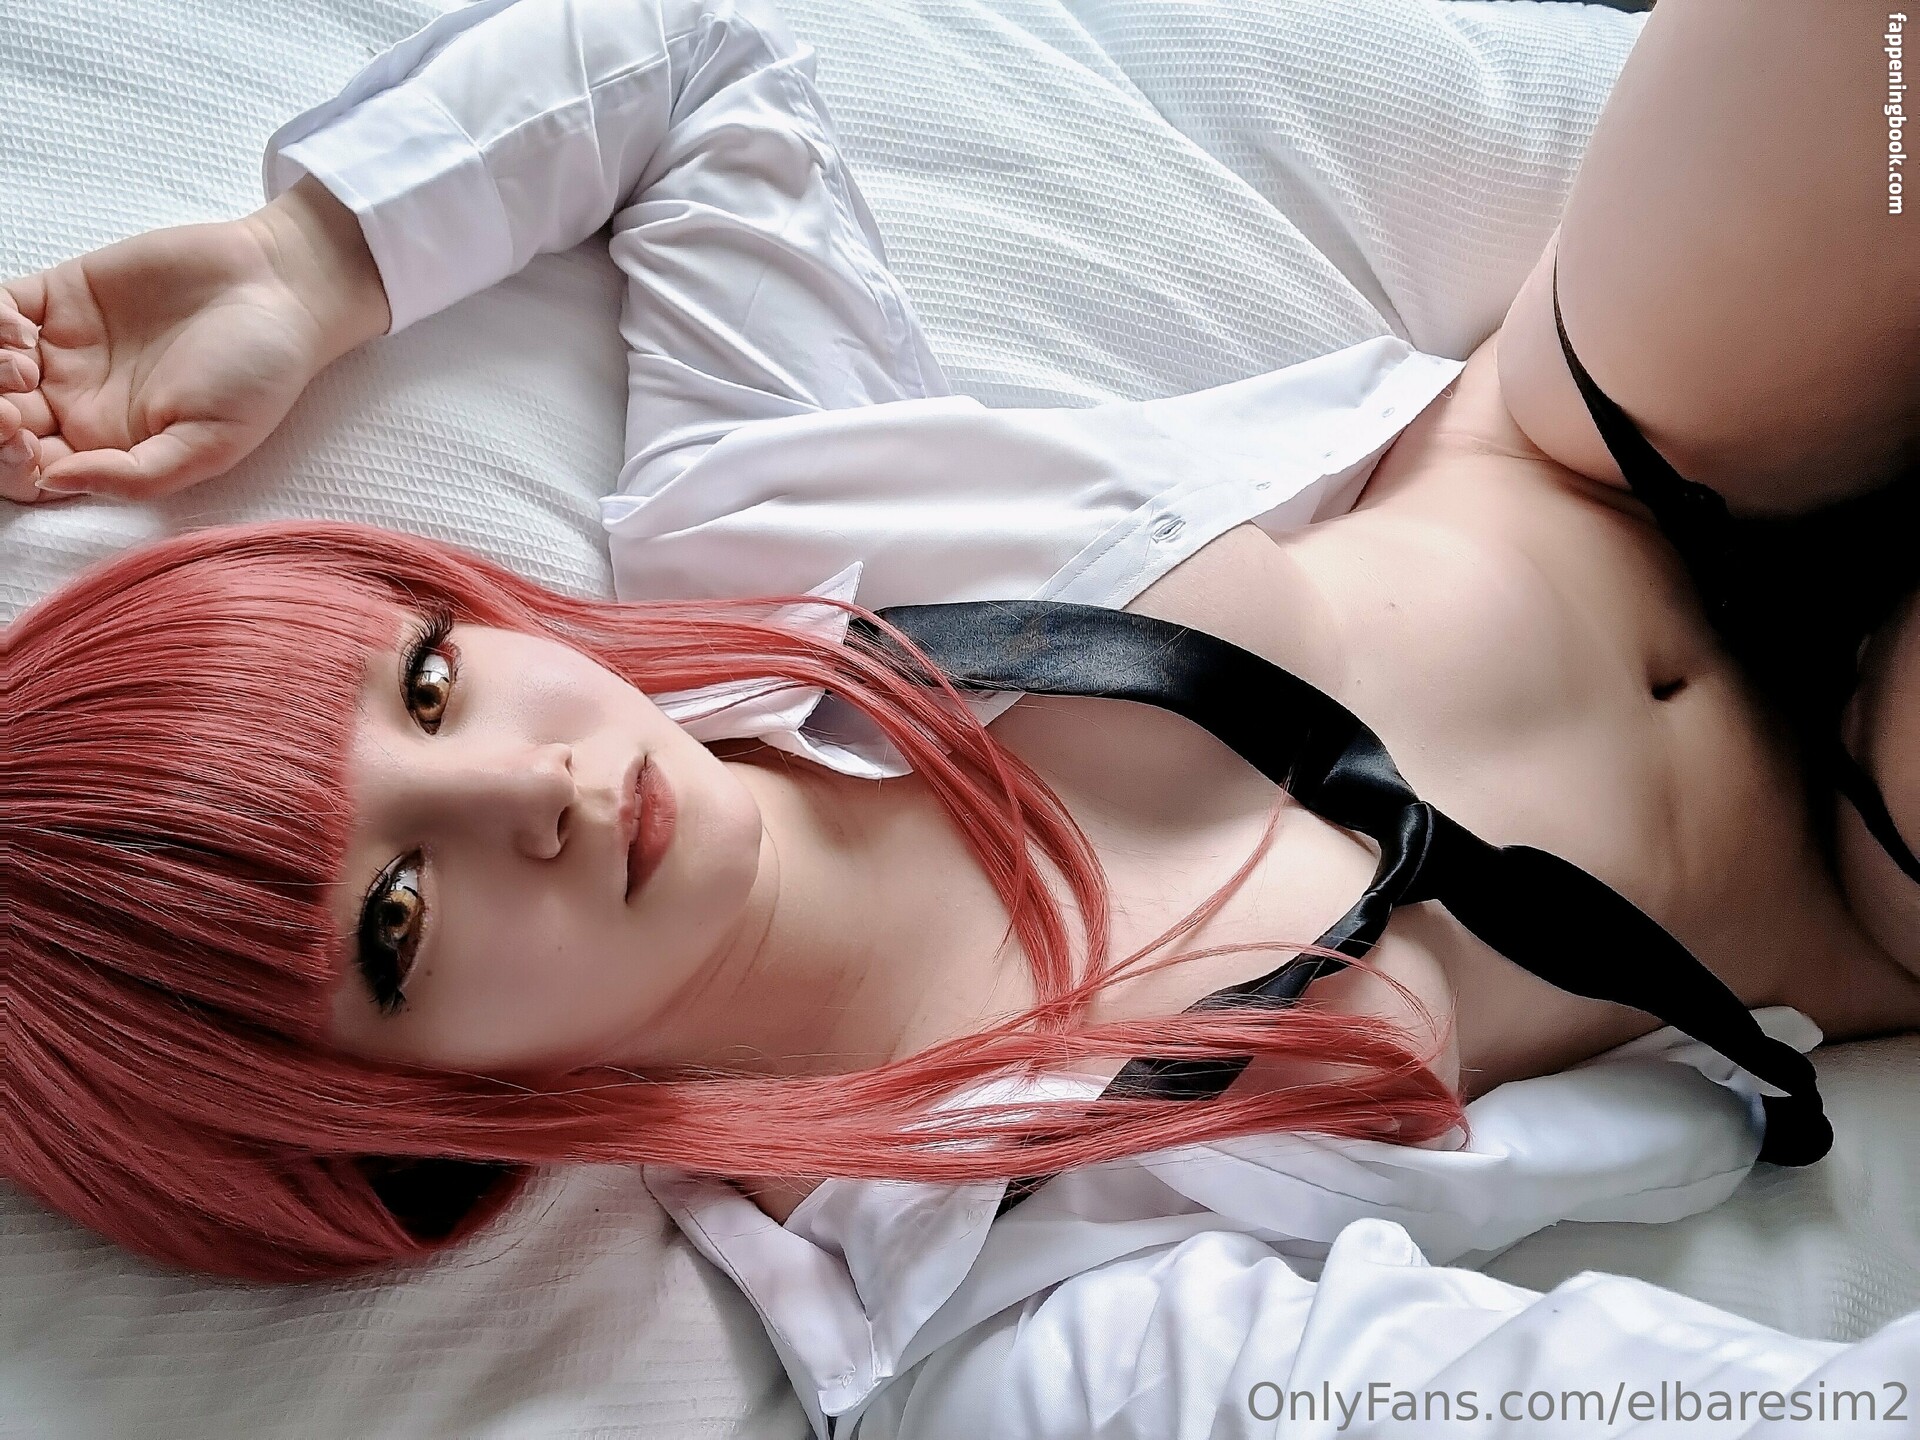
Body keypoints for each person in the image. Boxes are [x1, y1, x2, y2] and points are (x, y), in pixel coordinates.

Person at [4, 0, 1917, 1433]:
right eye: (400, 915)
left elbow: (682, 61)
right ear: (385, 1126)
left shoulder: (756, 532)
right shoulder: (979, 1301)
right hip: (1856, 845)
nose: (533, 785)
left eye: (428, 684)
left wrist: (311, 261)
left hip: (1621, 428)